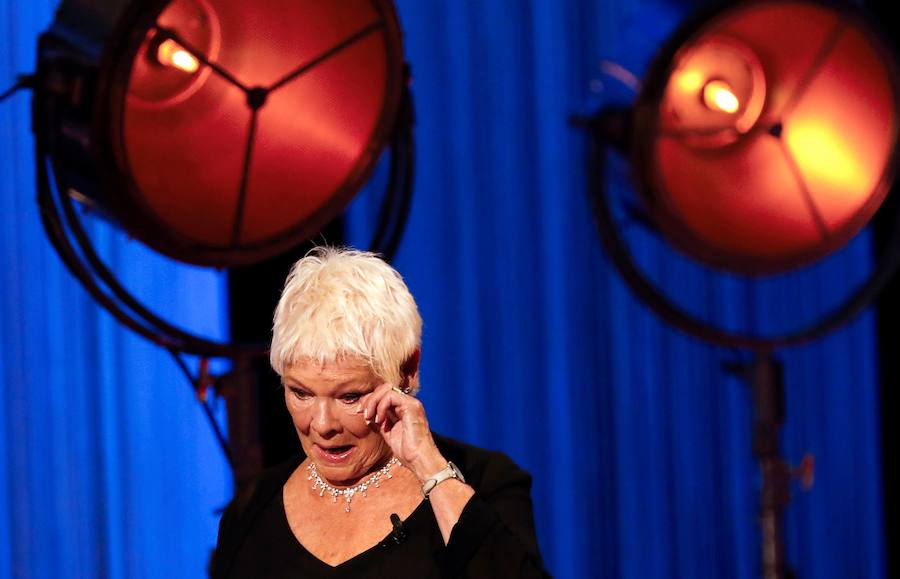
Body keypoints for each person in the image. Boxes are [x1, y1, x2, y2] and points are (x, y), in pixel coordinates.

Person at [211, 247, 549, 578]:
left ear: (407, 371)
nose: (322, 425)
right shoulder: (252, 509)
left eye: (350, 396)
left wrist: (429, 468)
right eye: (301, 393)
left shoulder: (486, 483)